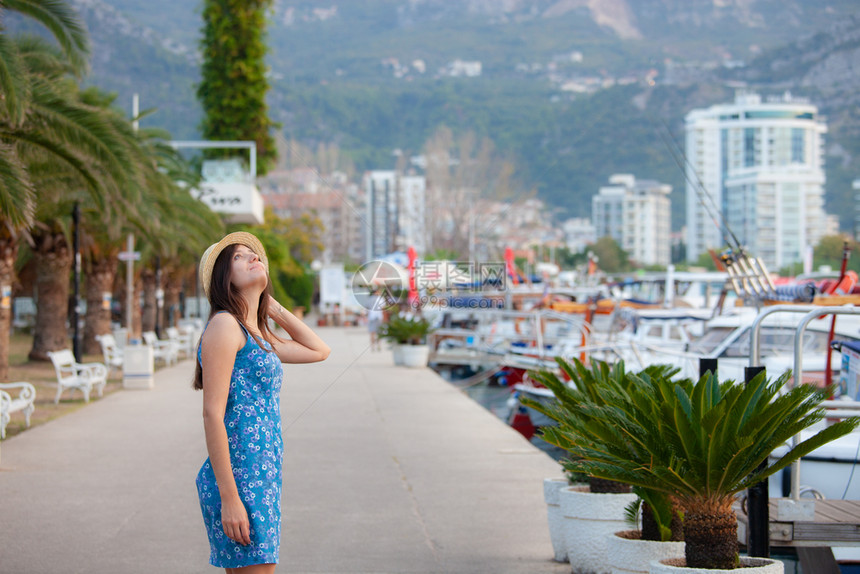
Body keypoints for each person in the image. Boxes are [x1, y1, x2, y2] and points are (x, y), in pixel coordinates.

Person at [193, 232, 330, 573]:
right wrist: (229, 497)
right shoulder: (226, 326)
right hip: (238, 479)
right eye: (239, 257)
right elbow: (212, 414)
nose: (253, 258)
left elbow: (319, 350)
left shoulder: (257, 335)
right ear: (223, 279)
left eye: (254, 255)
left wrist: (271, 305)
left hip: (261, 474)